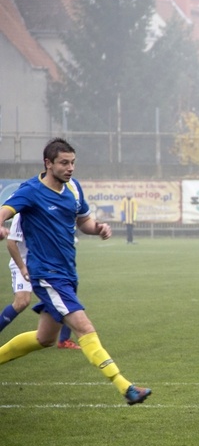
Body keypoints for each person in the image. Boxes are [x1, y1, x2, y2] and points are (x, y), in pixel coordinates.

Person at [0, 137, 150, 405]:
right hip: (47, 275)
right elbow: (4, 212)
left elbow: (84, 222)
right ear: (48, 163)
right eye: (64, 163)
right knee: (84, 327)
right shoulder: (30, 191)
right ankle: (125, 386)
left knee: (44, 338)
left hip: (68, 273)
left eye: (72, 163)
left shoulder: (74, 189)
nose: (70, 168)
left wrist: (98, 228)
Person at [0, 213, 82, 350]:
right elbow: (11, 243)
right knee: (22, 302)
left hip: (43, 263)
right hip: (23, 261)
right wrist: (22, 267)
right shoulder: (23, 212)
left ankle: (64, 340)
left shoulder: (46, 208)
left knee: (66, 295)